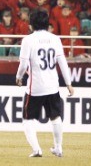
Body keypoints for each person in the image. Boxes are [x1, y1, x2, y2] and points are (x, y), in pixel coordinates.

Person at [16, 10, 75, 158]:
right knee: (55, 117)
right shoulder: (55, 39)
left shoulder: (27, 40)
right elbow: (62, 62)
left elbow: (23, 64)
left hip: (35, 87)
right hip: (52, 85)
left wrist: (18, 77)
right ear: (47, 23)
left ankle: (36, 150)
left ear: (31, 25)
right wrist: (69, 83)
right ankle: (58, 148)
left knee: (27, 119)